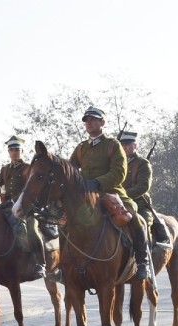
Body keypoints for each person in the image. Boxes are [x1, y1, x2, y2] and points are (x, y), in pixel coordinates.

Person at [70, 106, 149, 280]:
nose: (89, 123)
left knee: (134, 218)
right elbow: (71, 170)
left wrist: (97, 182)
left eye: (93, 120)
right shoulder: (81, 148)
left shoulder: (112, 145)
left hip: (112, 193)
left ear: (102, 122)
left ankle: (142, 262)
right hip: (86, 197)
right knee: (65, 220)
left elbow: (119, 172)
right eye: (87, 121)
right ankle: (64, 265)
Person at [0, 135, 44, 280]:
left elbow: (33, 189)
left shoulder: (28, 168)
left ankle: (40, 263)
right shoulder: (5, 169)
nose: (14, 152)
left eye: (17, 150)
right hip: (8, 208)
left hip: (27, 208)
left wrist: (22, 203)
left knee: (31, 231)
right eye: (11, 150)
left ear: (22, 151)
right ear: (8, 152)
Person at [120, 130, 171, 248]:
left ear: (135, 145)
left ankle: (146, 260)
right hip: (118, 204)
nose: (124, 147)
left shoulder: (143, 164)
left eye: (127, 144)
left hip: (139, 204)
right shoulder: (117, 164)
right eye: (122, 144)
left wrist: (123, 195)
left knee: (142, 226)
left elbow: (143, 187)